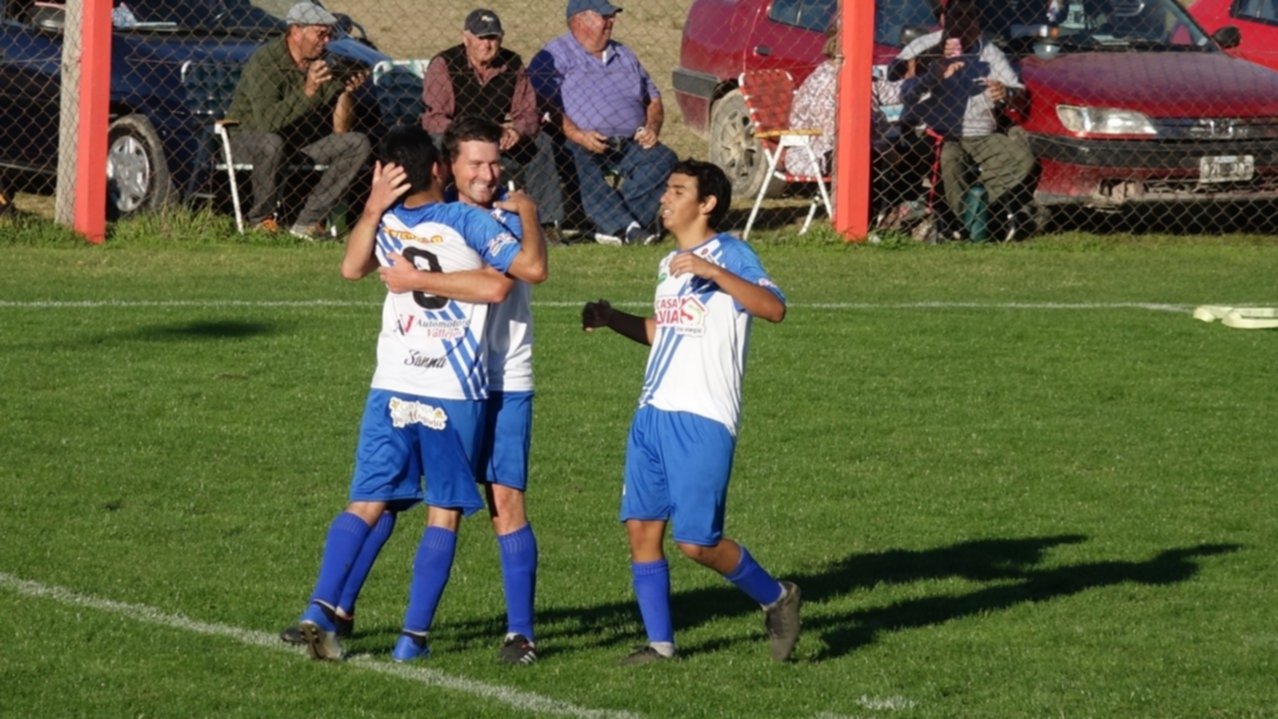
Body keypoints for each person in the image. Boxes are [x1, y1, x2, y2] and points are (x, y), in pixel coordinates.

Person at [289, 125, 546, 663]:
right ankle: (347, 612)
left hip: (502, 377)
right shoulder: (432, 219)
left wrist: (528, 214)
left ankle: (519, 633)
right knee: (405, 500)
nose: (488, 174)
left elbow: (520, 275)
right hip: (451, 382)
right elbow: (358, 266)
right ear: (446, 167)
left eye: (494, 163)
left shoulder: (493, 218)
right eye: (475, 164)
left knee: (502, 501)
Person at [580, 159, 800, 665]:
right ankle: (660, 646)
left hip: (702, 417)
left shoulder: (730, 253)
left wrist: (715, 272)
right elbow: (665, 333)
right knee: (641, 529)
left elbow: (773, 308)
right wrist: (612, 319)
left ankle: (777, 597)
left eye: (678, 190)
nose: (665, 197)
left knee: (697, 543)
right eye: (667, 188)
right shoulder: (669, 263)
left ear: (707, 203)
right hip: (652, 414)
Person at [529, 0, 677, 246]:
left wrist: (652, 127)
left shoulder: (624, 54)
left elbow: (653, 99)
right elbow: (540, 101)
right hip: (578, 141)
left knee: (663, 158)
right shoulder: (556, 54)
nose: (612, 21)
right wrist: (578, 134)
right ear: (580, 20)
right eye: (605, 16)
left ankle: (613, 226)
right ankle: (626, 228)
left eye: (612, 16)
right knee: (576, 158)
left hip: (630, 142)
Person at [225, 1, 372, 239]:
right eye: (320, 34)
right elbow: (267, 124)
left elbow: (340, 130)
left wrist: (345, 91)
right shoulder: (267, 61)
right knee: (272, 143)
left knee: (356, 143)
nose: (326, 41)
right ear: (296, 32)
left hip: (299, 143)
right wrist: (308, 91)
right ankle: (261, 221)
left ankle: (307, 222)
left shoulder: (324, 62)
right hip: (249, 140)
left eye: (329, 35)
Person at [895, 0, 1035, 241]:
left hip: (981, 131)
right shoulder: (922, 47)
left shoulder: (989, 51)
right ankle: (967, 225)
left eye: (970, 16)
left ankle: (976, 207)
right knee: (950, 160)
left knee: (1022, 160)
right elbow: (905, 95)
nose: (962, 22)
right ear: (942, 19)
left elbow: (1017, 90)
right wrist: (933, 77)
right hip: (936, 131)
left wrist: (1006, 92)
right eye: (956, 16)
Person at [422, 8, 566, 242]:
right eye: (481, 37)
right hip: (456, 141)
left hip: (497, 142)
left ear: (501, 38)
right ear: (466, 38)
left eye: (493, 38)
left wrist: (517, 131)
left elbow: (528, 114)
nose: (486, 44)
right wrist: (477, 134)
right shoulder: (445, 64)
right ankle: (434, 214)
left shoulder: (513, 64)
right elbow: (435, 119)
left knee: (541, 143)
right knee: (435, 142)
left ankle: (547, 224)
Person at [785, 27, 839, 178]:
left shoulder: (834, 72)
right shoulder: (828, 82)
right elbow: (829, 133)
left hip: (828, 147)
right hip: (811, 153)